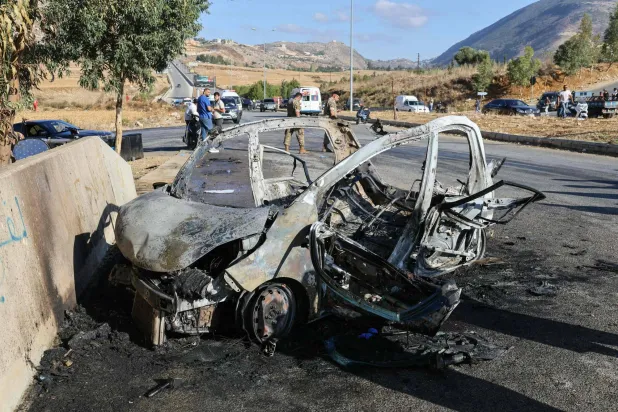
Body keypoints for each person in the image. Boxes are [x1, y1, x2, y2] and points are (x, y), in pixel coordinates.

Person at [197, 88, 217, 153]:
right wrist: (212, 110)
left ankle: (204, 147)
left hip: (201, 117)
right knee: (212, 132)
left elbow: (197, 109)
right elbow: (208, 108)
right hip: (206, 117)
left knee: (204, 133)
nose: (209, 93)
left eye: (209, 92)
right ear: (204, 92)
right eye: (208, 92)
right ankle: (211, 147)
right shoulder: (205, 99)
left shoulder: (199, 98)